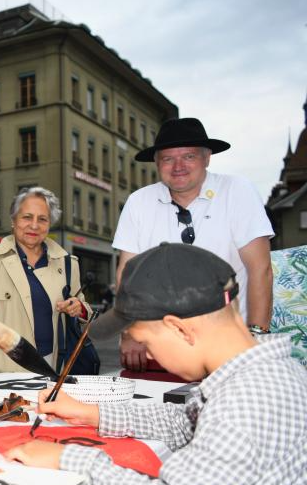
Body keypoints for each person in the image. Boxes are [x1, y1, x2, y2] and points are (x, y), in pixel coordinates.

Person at [5, 243, 307, 485]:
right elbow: (184, 423)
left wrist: (66, 459)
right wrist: (92, 413)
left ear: (179, 328)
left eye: (146, 343)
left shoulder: (248, 404)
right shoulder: (262, 376)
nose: (147, 355)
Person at [114, 117, 274, 372]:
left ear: (207, 157)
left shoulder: (237, 191)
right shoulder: (139, 202)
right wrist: (130, 333)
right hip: (160, 349)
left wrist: (256, 338)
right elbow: (126, 272)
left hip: (229, 350)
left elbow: (260, 270)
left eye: (188, 156)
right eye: (168, 158)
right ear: (157, 163)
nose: (178, 166)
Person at [0, 187, 92, 374]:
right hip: (2, 368)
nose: (34, 225)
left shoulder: (68, 263)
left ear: (49, 224)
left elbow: (85, 310)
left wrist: (80, 308)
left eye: (42, 219)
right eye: (27, 217)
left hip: (54, 367)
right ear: (13, 220)